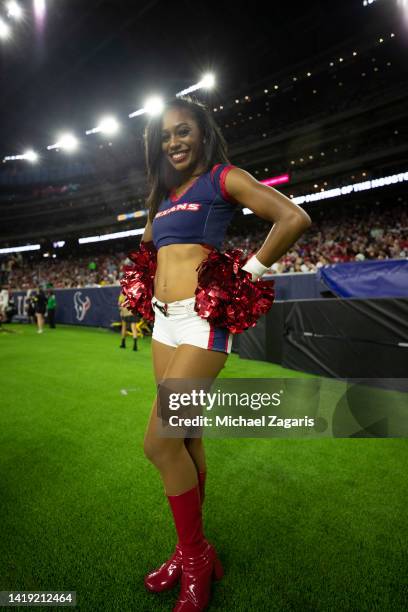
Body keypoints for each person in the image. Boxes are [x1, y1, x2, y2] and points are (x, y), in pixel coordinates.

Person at [140, 96, 311, 611]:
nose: (174, 141)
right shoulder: (165, 195)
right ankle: (190, 551)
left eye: (183, 130)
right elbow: (149, 242)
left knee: (158, 444)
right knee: (186, 438)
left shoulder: (223, 178)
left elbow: (292, 217)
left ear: (202, 132)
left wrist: (244, 275)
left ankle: (195, 559)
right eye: (166, 134)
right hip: (163, 324)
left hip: (202, 322)